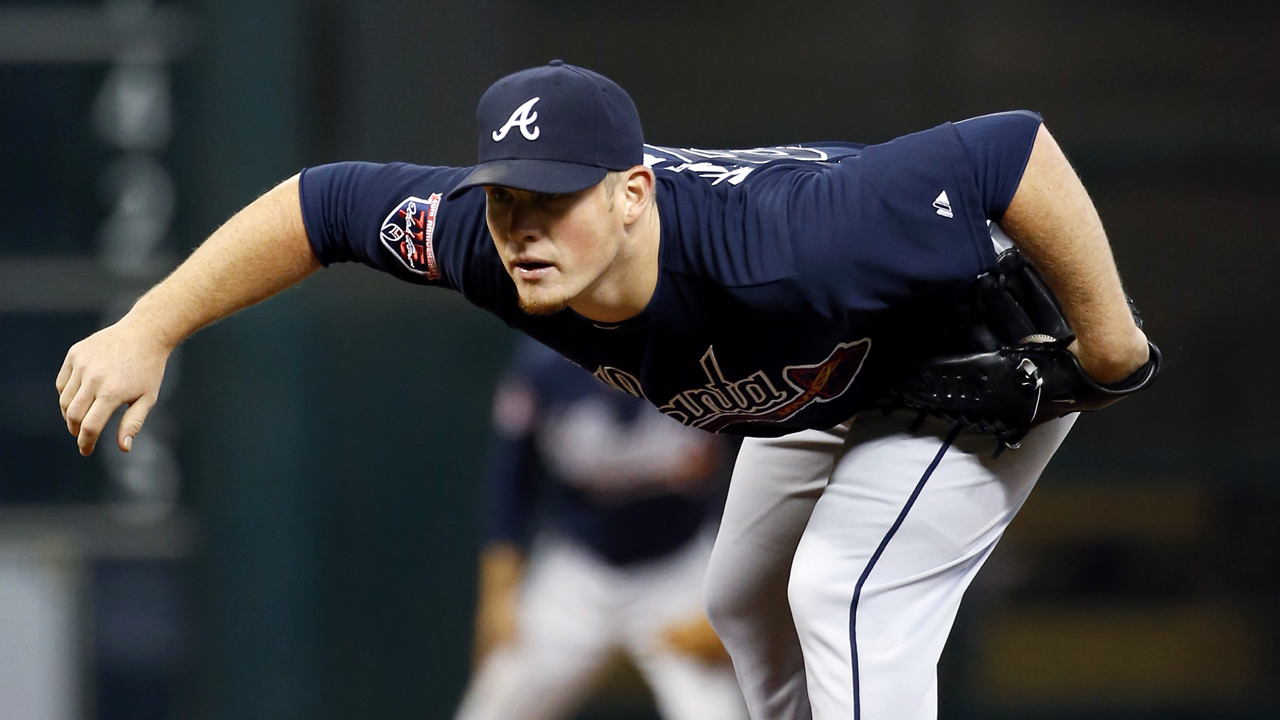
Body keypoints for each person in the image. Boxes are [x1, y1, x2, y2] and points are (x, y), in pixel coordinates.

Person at [56, 60, 1154, 719]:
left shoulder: (792, 242)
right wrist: (151, 323)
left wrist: (1109, 348)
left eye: (553, 199)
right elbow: (322, 203)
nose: (521, 229)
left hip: (966, 348)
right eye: (503, 200)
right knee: (743, 600)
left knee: (842, 592)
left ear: (632, 193)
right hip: (825, 382)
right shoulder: (488, 249)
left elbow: (1011, 149)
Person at [455, 336, 746, 720]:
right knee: (492, 707)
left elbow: (758, 479)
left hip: (682, 569)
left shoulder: (704, 354)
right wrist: (498, 588)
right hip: (578, 573)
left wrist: (738, 600)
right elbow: (512, 482)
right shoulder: (544, 361)